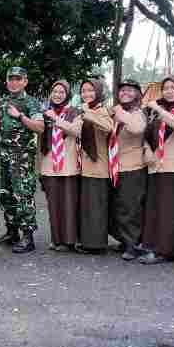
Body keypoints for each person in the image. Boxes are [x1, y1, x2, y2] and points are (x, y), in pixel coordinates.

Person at [138, 77, 174, 264]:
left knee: (170, 209)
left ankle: (167, 250)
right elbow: (145, 134)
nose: (169, 91)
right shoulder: (155, 110)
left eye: (173, 88)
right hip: (154, 165)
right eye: (166, 88)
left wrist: (159, 109)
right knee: (154, 208)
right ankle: (154, 246)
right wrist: (147, 151)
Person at [0, 67, 45, 253]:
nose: (14, 82)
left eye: (18, 79)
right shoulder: (2, 102)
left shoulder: (31, 102)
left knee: (23, 194)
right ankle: (12, 232)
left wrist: (20, 116)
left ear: (25, 81)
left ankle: (27, 236)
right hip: (5, 156)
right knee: (6, 194)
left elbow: (39, 127)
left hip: (22, 157)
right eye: (11, 79)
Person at [38, 80, 81, 252]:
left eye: (61, 92)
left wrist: (56, 119)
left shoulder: (74, 112)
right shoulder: (44, 113)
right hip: (49, 166)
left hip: (68, 166)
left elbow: (76, 131)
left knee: (69, 205)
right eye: (55, 91)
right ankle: (57, 240)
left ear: (67, 95)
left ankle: (69, 240)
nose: (57, 95)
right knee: (53, 205)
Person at [108, 79, 147, 261]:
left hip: (133, 167)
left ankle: (133, 244)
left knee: (130, 208)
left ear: (137, 94)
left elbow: (137, 128)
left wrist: (119, 112)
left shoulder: (138, 112)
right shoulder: (118, 112)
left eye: (130, 90)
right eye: (122, 90)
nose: (125, 93)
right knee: (119, 206)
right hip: (116, 166)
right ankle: (125, 240)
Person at [77, 77, 114, 253]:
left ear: (98, 92)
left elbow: (108, 127)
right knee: (88, 207)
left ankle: (96, 245)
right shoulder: (85, 111)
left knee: (96, 207)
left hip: (98, 166)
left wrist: (88, 113)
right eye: (83, 91)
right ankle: (88, 242)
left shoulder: (101, 110)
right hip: (84, 166)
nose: (87, 94)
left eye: (91, 90)